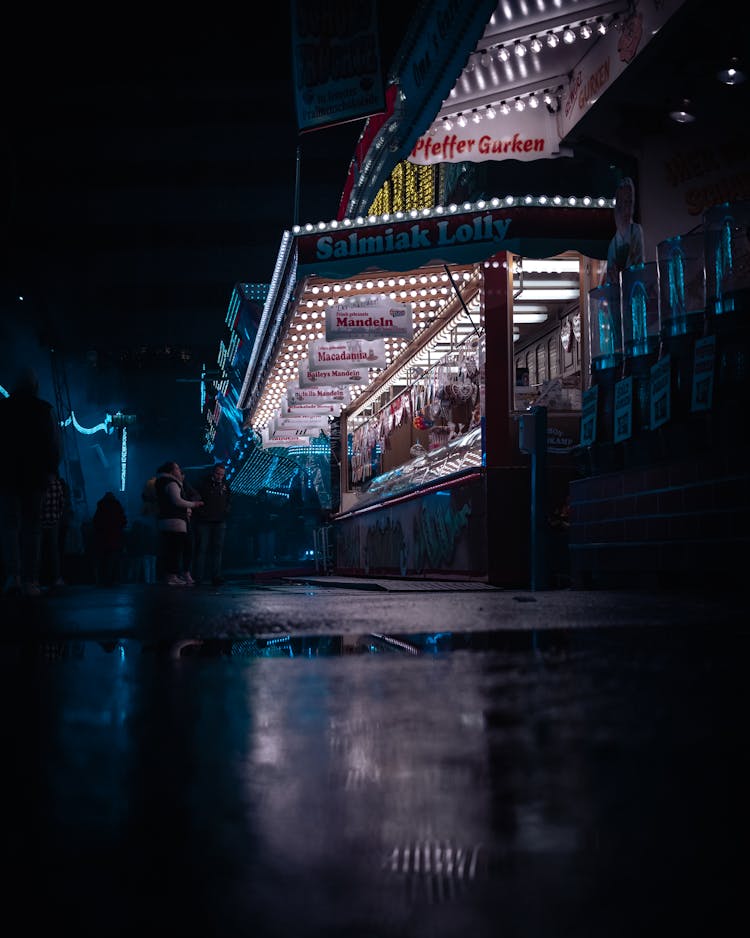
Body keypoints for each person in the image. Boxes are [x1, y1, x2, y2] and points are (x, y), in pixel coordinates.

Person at [0, 366, 62, 596]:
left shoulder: (3, 408)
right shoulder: (44, 410)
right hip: (36, 476)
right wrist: (50, 470)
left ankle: (13, 576)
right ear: (35, 385)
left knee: (9, 527)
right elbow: (55, 445)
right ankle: (30, 580)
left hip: (6, 475)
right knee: (32, 528)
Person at [154, 461, 203, 587]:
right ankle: (172, 576)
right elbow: (177, 501)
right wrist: (193, 505)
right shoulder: (171, 482)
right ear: (171, 471)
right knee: (175, 550)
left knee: (172, 549)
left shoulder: (161, 482)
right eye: (177, 468)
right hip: (175, 521)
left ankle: (172, 575)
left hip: (167, 520)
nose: (179, 470)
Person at [193, 463, 231, 586]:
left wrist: (226, 511)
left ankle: (216, 575)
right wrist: (202, 513)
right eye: (218, 474)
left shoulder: (225, 485)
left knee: (217, 549)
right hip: (204, 521)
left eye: (222, 475)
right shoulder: (203, 484)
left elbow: (229, 500)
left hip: (219, 521)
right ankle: (198, 576)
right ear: (213, 473)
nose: (220, 477)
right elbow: (196, 499)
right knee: (202, 549)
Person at [605, 176, 645, 284]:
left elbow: (639, 267)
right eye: (623, 202)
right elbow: (611, 278)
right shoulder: (613, 244)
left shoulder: (636, 230)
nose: (626, 208)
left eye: (629, 202)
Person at [92, 491, 128, 586]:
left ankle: (103, 580)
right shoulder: (117, 507)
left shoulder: (101, 507)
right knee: (113, 560)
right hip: (115, 539)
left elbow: (95, 522)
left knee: (103, 560)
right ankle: (113, 579)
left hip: (102, 539)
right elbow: (123, 521)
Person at [40, 471, 68, 589]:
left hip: (40, 521)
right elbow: (62, 503)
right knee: (54, 551)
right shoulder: (57, 485)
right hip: (54, 521)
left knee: (38, 550)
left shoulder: (40, 484)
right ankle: (56, 578)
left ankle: (35, 579)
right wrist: (58, 515)